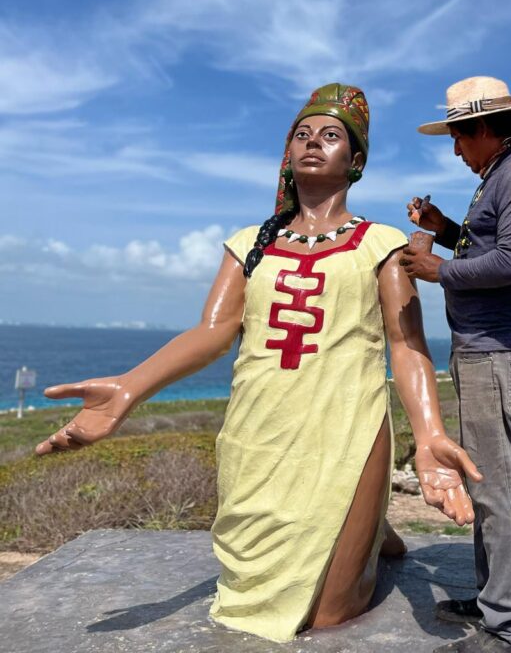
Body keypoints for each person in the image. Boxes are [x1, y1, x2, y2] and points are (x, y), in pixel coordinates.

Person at [35, 83, 482, 643]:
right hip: (259, 434)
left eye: (331, 135)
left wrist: (430, 436)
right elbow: (212, 331)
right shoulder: (250, 243)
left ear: (357, 160)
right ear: (287, 154)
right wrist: (129, 388)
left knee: (328, 617)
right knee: (257, 596)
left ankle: (364, 521)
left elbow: (405, 343)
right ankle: (370, 530)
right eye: (302, 134)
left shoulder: (380, 244)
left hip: (346, 429)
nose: (313, 143)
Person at [401, 76, 511, 653]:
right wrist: (446, 229)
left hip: (501, 351)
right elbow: (488, 244)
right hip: (487, 349)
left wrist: (436, 269)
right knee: (487, 480)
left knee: (501, 490)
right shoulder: (508, 169)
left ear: (484, 128)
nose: (455, 151)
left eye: (458, 138)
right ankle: (494, 595)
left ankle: (507, 628)